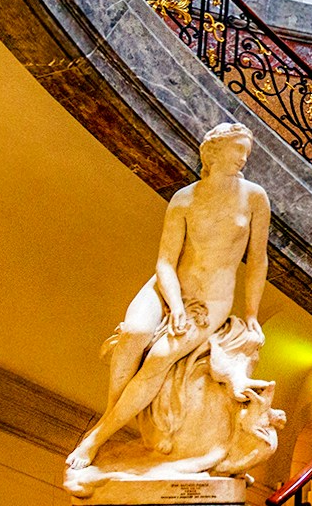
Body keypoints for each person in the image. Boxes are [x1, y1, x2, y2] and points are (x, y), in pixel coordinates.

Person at [65, 122, 271, 472]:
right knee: (133, 335)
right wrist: (175, 306)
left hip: (211, 302)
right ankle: (112, 414)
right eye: (238, 149)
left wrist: (251, 313)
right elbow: (164, 261)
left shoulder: (254, 197)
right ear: (214, 151)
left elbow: (257, 260)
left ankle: (97, 437)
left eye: (246, 151)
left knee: (160, 357)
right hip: (167, 286)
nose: (244, 158)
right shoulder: (185, 198)